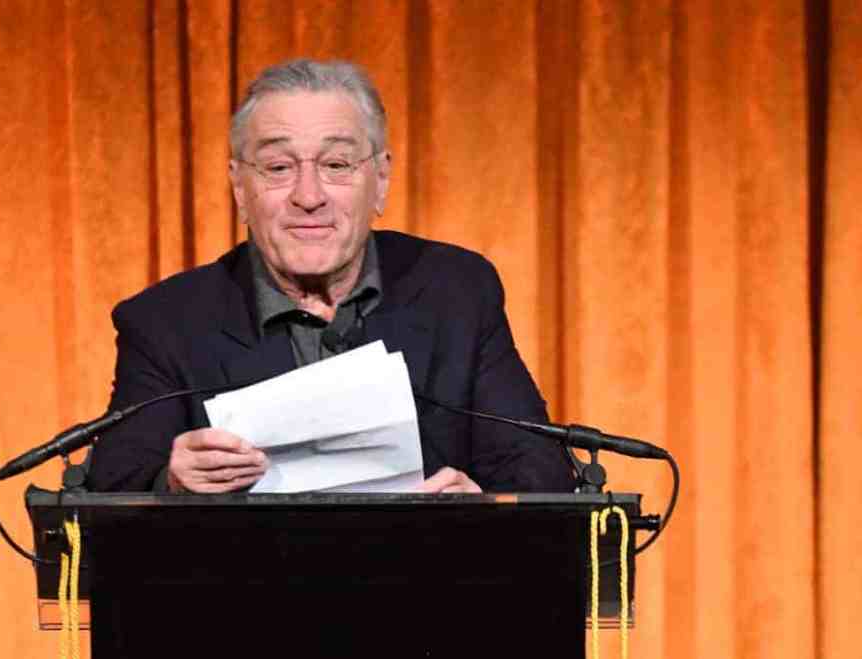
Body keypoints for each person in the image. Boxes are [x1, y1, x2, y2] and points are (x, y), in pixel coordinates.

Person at [87, 59, 575, 495]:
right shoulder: (165, 321)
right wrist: (171, 483)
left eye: (336, 164)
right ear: (240, 187)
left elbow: (538, 468)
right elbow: (112, 483)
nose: (309, 195)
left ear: (380, 180)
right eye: (278, 167)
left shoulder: (456, 289)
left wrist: (478, 504)